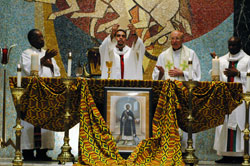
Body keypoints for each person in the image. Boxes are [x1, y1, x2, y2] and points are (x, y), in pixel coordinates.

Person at [152, 30, 201, 152]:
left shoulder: (191, 54)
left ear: (182, 40)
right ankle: (170, 150)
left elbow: (197, 75)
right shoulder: (163, 55)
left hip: (185, 95)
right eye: (172, 39)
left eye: (177, 38)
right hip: (170, 95)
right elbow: (156, 78)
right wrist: (161, 74)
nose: (174, 41)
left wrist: (182, 73)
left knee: (186, 121)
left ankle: (187, 150)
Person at [20, 29, 60, 161]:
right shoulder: (26, 53)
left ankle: (43, 151)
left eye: (42, 37)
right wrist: (42, 61)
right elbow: (27, 69)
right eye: (38, 38)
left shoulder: (46, 54)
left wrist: (51, 66)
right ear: (31, 40)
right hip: (32, 95)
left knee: (45, 122)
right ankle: (28, 151)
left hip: (46, 94)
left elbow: (57, 73)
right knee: (30, 123)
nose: (42, 40)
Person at [212, 36, 250, 163]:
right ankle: (226, 154)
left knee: (239, 124)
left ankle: (240, 154)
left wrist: (239, 74)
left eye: (234, 45)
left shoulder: (247, 60)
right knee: (224, 125)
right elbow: (216, 77)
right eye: (230, 45)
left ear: (240, 45)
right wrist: (215, 65)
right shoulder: (222, 60)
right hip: (226, 98)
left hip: (241, 99)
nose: (232, 47)